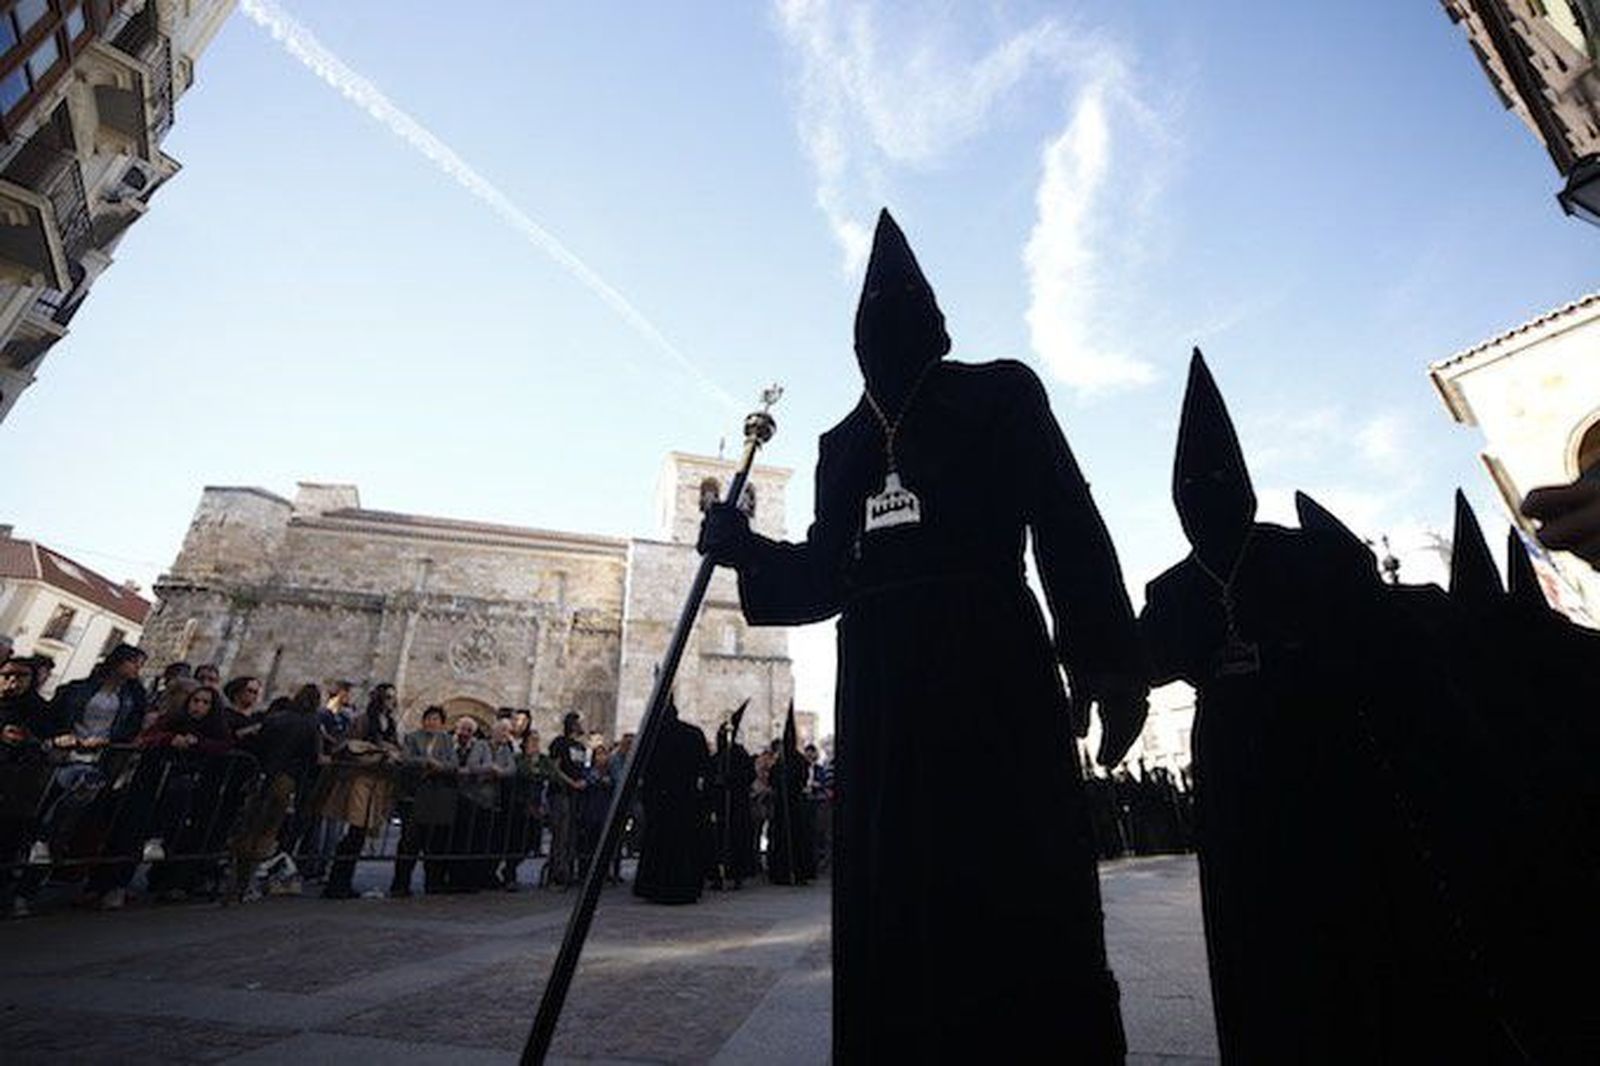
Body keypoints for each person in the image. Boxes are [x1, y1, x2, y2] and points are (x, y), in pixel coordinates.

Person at [698, 210, 1146, 1061]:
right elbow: (827, 577)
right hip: (882, 688)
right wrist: (743, 548)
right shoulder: (844, 443)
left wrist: (1104, 658)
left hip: (993, 665)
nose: (893, 326)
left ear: (937, 321)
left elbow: (1065, 522)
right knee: (899, 894)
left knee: (1016, 878)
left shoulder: (1000, 391)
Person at [320, 683, 403, 899]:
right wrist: (380, 751)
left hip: (377, 782)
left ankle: (344, 881)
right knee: (354, 830)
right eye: (387, 697)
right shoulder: (364, 720)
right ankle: (336, 883)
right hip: (360, 779)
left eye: (393, 698)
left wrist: (392, 752)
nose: (390, 701)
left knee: (360, 833)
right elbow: (351, 745)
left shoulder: (390, 723)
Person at [633, 700, 712, 903]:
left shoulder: (651, 736)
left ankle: (654, 887)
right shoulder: (693, 734)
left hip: (659, 800)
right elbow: (705, 768)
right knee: (684, 845)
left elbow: (641, 769)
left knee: (658, 844)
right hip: (686, 799)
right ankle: (685, 887)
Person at [389, 705, 455, 897]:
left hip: (436, 798)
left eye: (436, 719)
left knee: (433, 843)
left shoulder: (447, 740)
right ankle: (400, 885)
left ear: (442, 723)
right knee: (409, 842)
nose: (431, 722)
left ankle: (433, 884)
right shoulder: (412, 738)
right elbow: (406, 758)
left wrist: (440, 766)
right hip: (414, 796)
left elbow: (453, 763)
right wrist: (426, 761)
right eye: (429, 718)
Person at [545, 712, 587, 886]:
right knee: (560, 834)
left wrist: (583, 781)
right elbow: (554, 767)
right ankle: (557, 872)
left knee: (571, 834)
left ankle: (568, 869)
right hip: (560, 793)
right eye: (578, 723)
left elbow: (581, 768)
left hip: (576, 795)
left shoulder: (581, 747)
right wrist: (571, 782)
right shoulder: (559, 743)